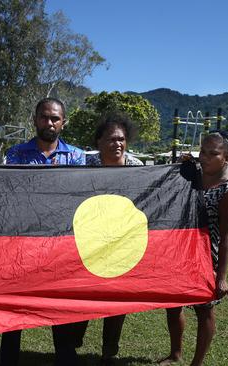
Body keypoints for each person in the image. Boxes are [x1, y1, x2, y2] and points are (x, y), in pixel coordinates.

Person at [1, 97, 85, 366]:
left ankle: (65, 355)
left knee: (59, 304)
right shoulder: (15, 154)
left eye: (55, 118)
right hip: (22, 241)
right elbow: (11, 194)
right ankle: (9, 358)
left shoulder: (77, 156)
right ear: (35, 119)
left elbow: (79, 197)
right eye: (44, 117)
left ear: (63, 122)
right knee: (15, 303)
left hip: (60, 243)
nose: (49, 122)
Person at [159, 130, 228, 366]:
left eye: (212, 153)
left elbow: (226, 237)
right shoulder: (196, 175)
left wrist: (222, 277)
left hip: (208, 258)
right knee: (173, 306)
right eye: (202, 152)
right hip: (182, 252)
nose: (204, 157)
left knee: (203, 311)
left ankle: (196, 363)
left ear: (227, 157)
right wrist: (182, 165)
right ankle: (175, 354)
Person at [73, 111, 142, 366]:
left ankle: (109, 351)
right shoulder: (86, 168)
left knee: (117, 301)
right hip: (89, 243)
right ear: (99, 142)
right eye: (111, 139)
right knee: (84, 296)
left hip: (123, 246)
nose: (118, 144)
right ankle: (74, 340)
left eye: (122, 139)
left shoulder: (137, 168)